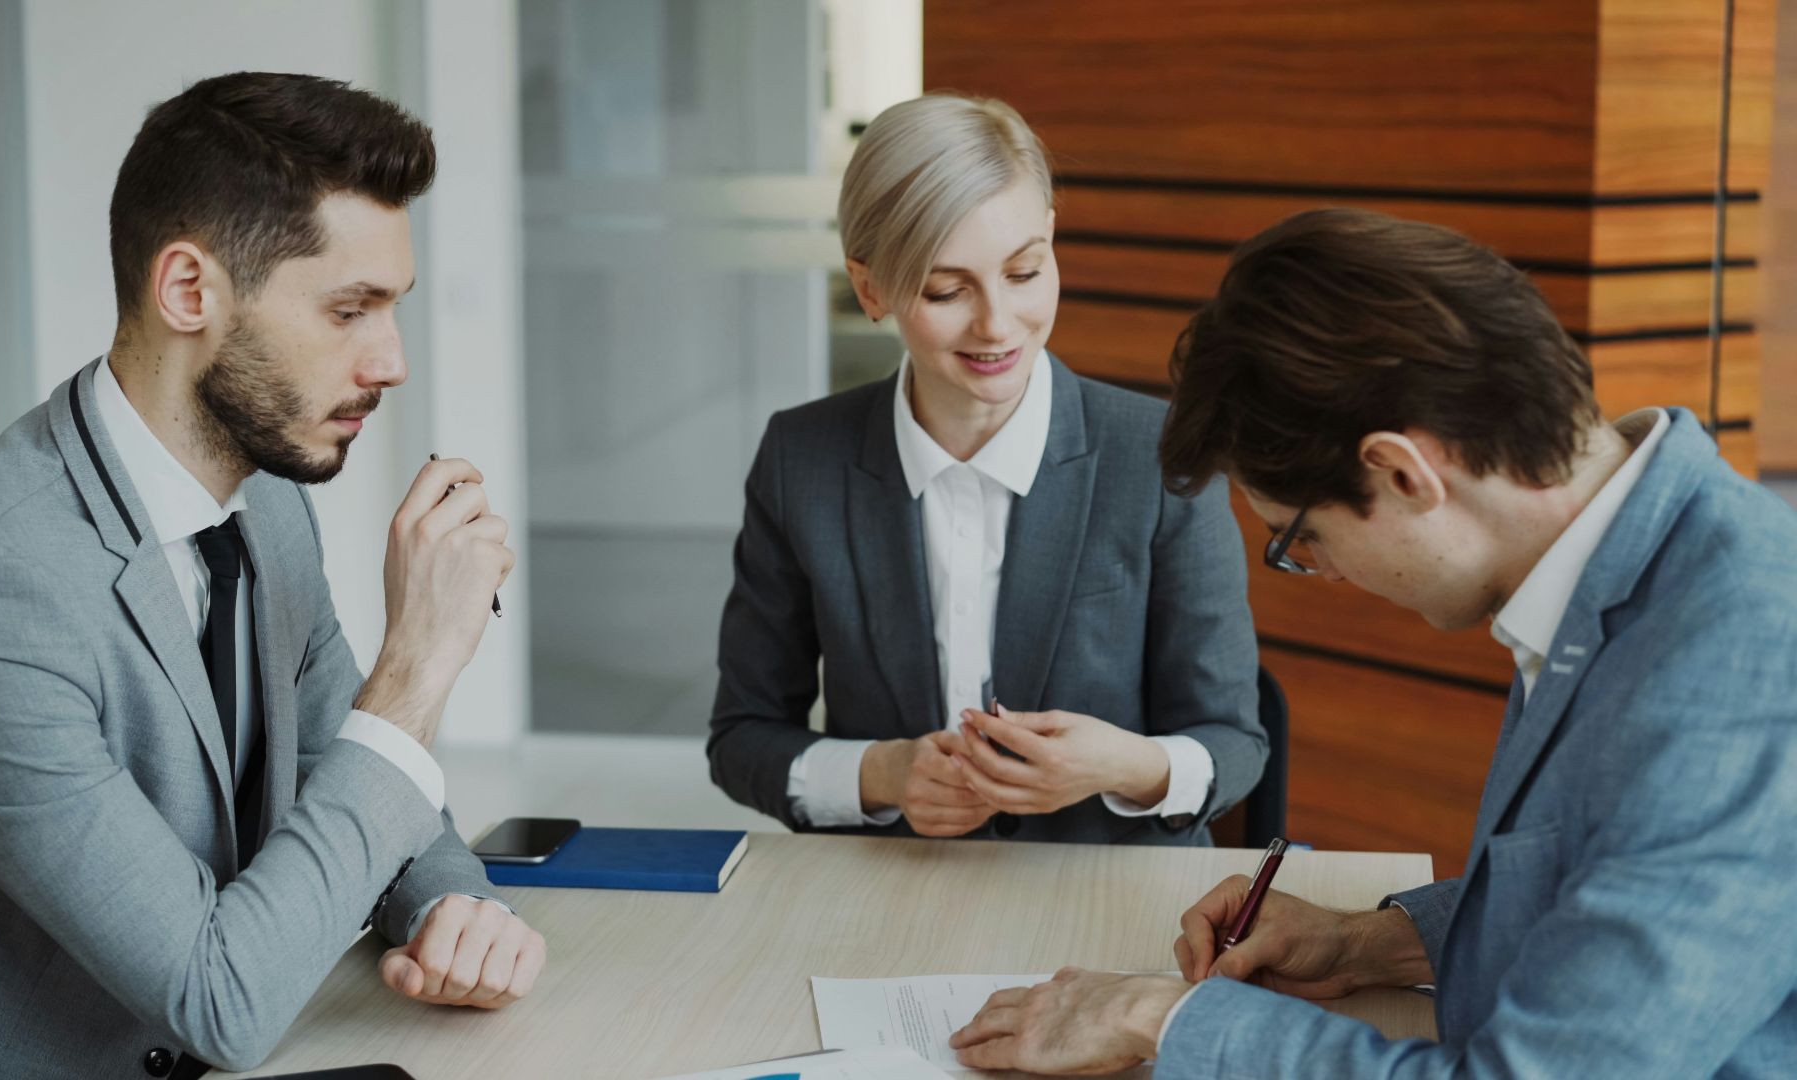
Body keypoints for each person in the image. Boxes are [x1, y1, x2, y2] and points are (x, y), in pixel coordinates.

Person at [948, 208, 1797, 1076]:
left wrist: (1162, 1018)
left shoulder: (1740, 668)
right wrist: (1370, 942)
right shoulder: (1633, 563)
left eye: (1297, 539)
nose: (1324, 571)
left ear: (1402, 473)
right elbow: (1614, 885)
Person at [0, 73, 545, 1079]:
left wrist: (453, 905)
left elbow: (351, 775)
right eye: (349, 311)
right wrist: (416, 668)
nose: (393, 361)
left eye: (392, 308)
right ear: (189, 290)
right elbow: (217, 998)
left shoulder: (267, 509)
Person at [706, 93, 1265, 845]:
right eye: (946, 289)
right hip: (890, 898)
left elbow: (1236, 743)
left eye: (1025, 272)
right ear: (872, 288)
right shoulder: (800, 459)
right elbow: (742, 739)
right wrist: (884, 774)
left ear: (1052, 243)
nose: (998, 324)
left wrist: (1122, 766)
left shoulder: (1160, 458)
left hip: (1107, 895)